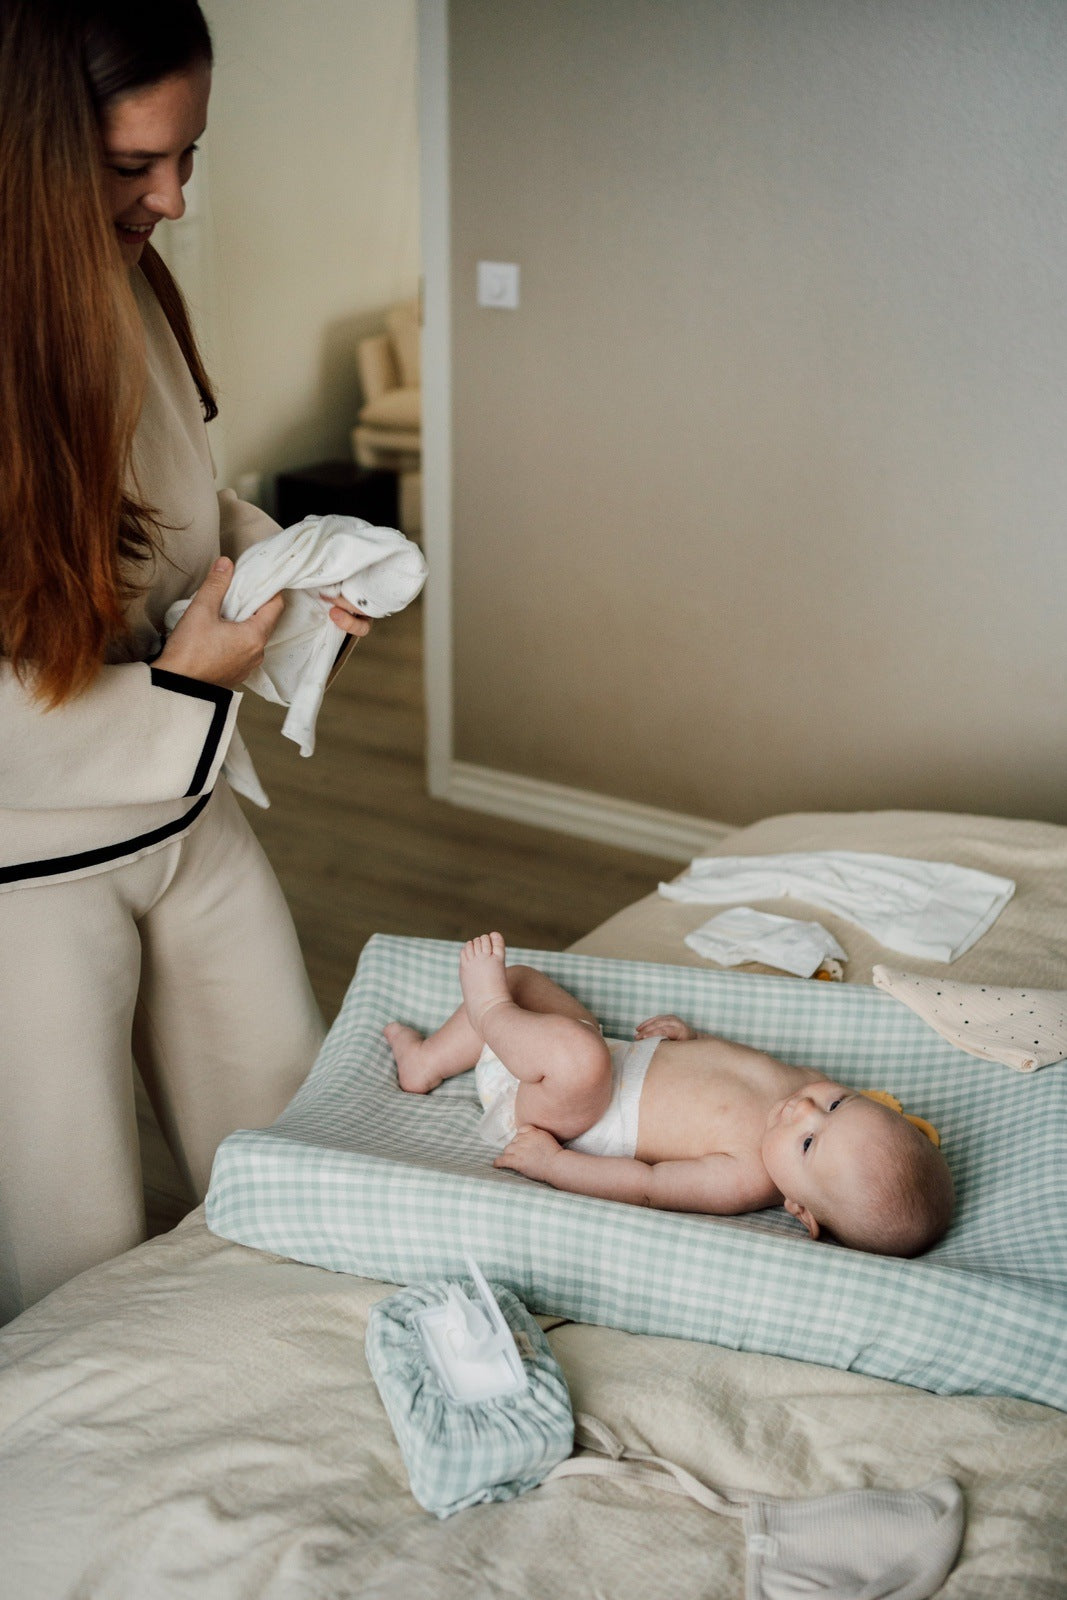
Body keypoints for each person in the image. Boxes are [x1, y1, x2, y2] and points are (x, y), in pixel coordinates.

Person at [0, 0, 371, 1321]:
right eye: (130, 168)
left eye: (187, 156)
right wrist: (180, 688)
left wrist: (283, 565)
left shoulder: (121, 279)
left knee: (298, 1145)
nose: (172, 197)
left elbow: (181, 512)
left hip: (182, 805)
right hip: (29, 869)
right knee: (77, 1252)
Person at [386, 934, 956, 1258]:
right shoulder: (802, 1083)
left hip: (561, 1111)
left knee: (577, 1058)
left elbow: (648, 1188)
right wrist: (694, 1041)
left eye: (808, 1143)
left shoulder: (745, 1179)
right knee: (529, 981)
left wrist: (555, 1164)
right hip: (595, 1057)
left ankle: (489, 1009)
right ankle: (427, 1061)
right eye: (838, 1105)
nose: (804, 1110)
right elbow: (739, 1066)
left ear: (800, 1210)